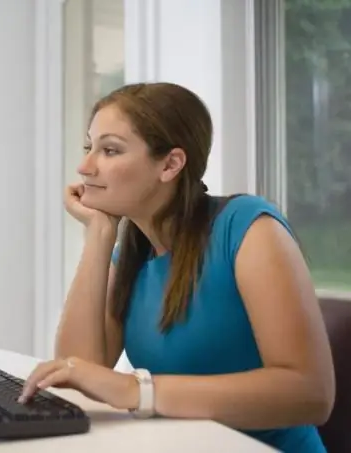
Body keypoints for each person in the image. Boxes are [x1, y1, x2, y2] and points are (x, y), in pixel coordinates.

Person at [19, 82, 335, 452]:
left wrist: (136, 391)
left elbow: (310, 393)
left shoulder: (247, 228)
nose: (85, 166)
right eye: (89, 147)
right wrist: (99, 234)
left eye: (109, 150)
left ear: (170, 164)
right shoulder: (131, 254)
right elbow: (77, 373)